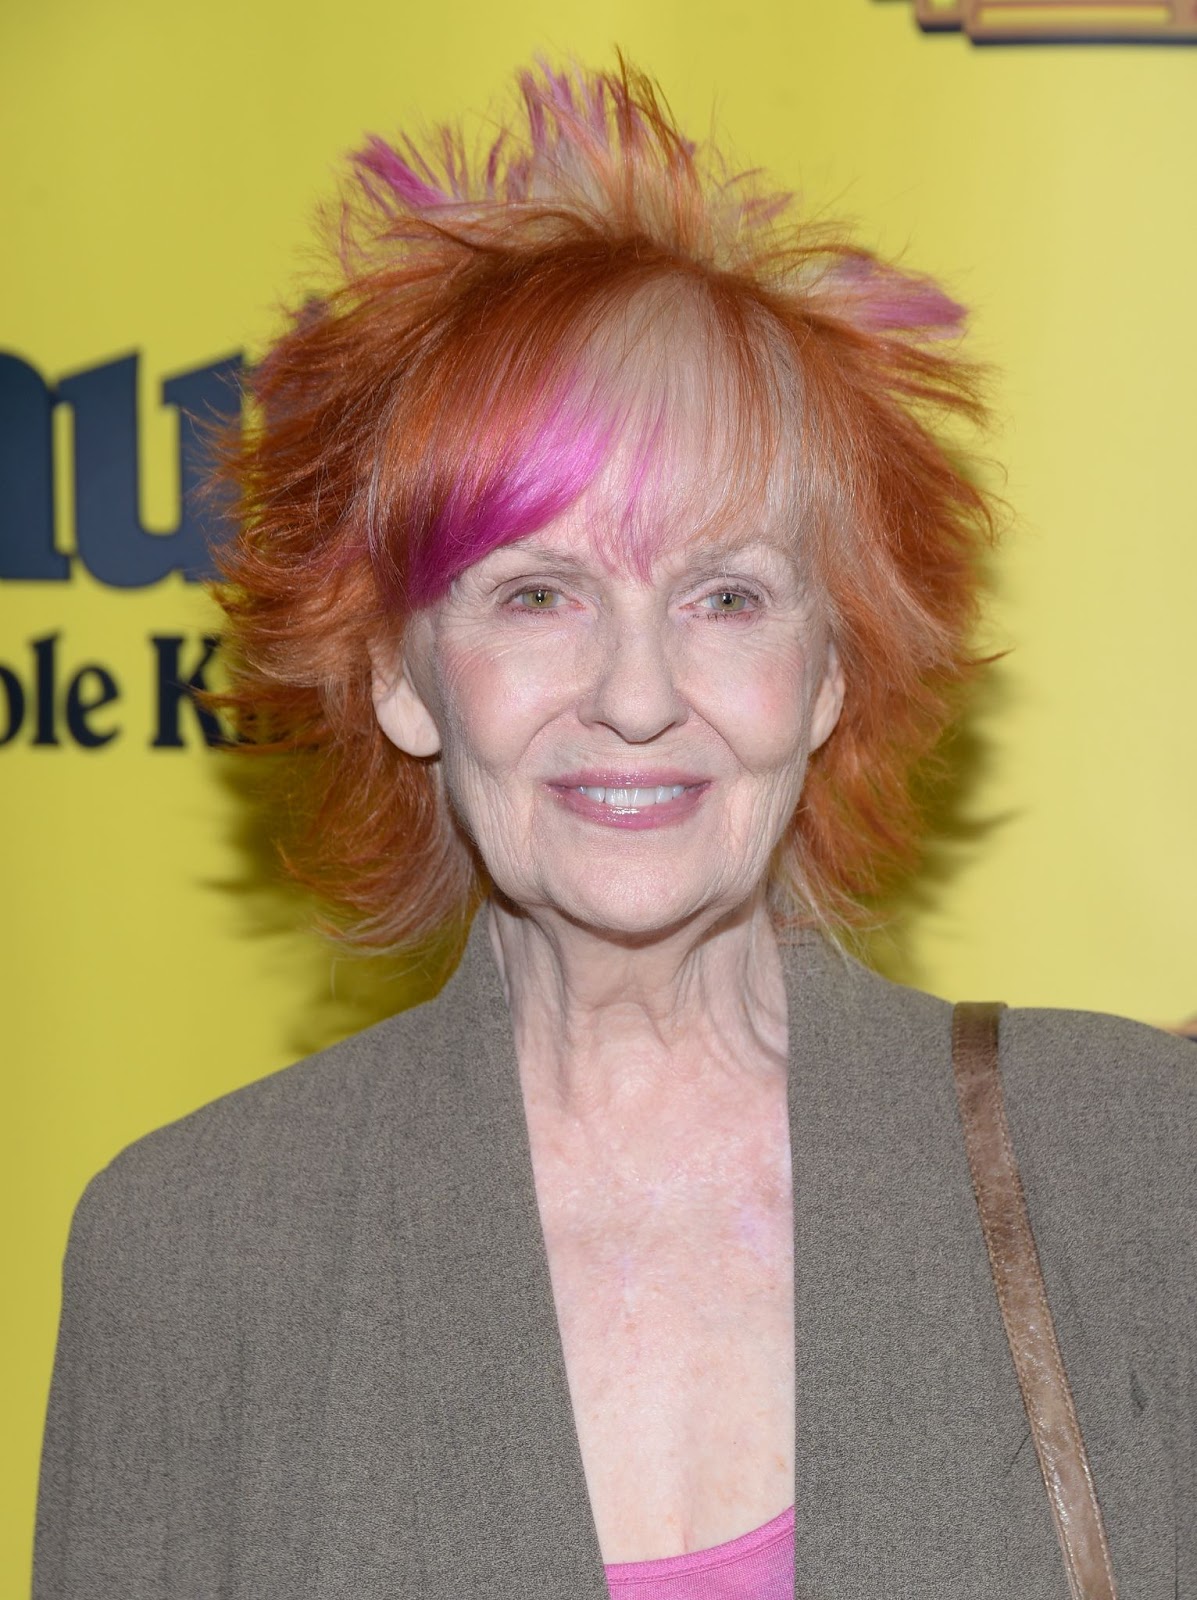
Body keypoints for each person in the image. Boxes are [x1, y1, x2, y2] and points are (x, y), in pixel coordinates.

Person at [34, 61, 1193, 1600]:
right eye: (536, 593)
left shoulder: (1129, 1161)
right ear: (399, 674)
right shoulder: (191, 1259)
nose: (637, 695)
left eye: (724, 596)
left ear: (828, 668)